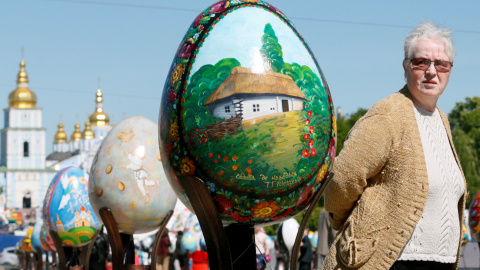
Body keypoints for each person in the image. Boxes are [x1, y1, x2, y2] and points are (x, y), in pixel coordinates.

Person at [323, 21, 467, 270]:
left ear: (450, 69)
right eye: (421, 62)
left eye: (441, 63)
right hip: (391, 262)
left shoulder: (442, 120)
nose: (431, 71)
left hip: (439, 263)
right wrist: (348, 224)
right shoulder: (388, 114)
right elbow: (343, 177)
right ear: (406, 66)